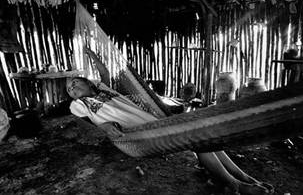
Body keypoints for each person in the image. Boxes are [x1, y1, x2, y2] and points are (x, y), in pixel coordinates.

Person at [66, 48, 274, 195]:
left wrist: (92, 54)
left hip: (156, 124)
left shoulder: (103, 88)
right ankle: (235, 183)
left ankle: (240, 176)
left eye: (75, 83)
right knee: (194, 137)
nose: (72, 89)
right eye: (69, 90)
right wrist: (103, 126)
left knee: (200, 131)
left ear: (88, 82)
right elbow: (87, 127)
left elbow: (104, 72)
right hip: (135, 136)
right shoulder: (79, 105)